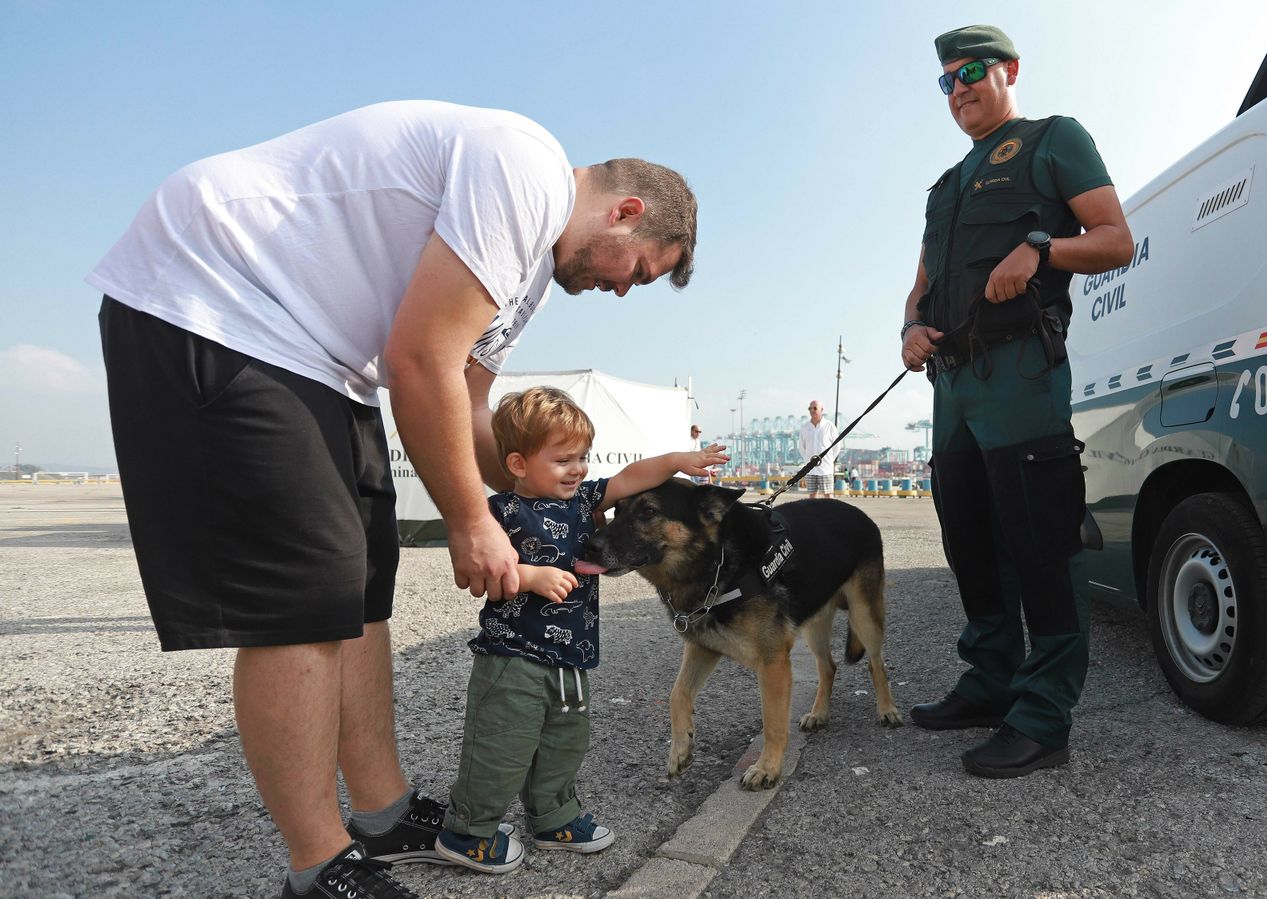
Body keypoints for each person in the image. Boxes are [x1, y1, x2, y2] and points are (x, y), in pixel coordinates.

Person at [88, 101, 698, 898]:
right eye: (639, 271)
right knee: (305, 593)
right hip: (218, 296)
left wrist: (539, 493)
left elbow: (469, 403)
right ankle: (319, 864)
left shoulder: (530, 282)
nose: (621, 290)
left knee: (366, 578)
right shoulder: (525, 167)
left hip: (321, 357)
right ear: (626, 211)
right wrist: (470, 521)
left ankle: (382, 814)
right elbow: (419, 361)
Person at [898, 27, 1134, 778]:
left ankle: (1042, 716)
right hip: (953, 385)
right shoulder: (945, 187)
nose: (959, 87)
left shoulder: (1052, 141)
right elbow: (923, 284)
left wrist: (1041, 248)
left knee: (1040, 539)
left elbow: (1115, 240)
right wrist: (910, 329)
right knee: (969, 538)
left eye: (971, 70)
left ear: (1009, 70)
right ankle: (990, 680)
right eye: (947, 80)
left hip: (1020, 371)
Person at [434, 387, 727, 873]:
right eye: (563, 459)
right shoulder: (498, 513)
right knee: (501, 746)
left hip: (572, 661)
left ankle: (553, 818)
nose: (578, 469)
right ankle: (468, 832)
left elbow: (631, 477)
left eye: (583, 457)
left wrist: (679, 460)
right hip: (512, 659)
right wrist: (530, 576)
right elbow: (473, 573)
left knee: (565, 742)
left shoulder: (584, 499)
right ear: (518, 463)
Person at [797, 400, 840, 499]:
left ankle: (830, 510)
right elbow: (802, 447)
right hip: (810, 469)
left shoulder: (829, 426)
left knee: (828, 495)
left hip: (825, 469)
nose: (812, 410)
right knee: (812, 496)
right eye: (810, 408)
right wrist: (807, 460)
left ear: (822, 409)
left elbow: (837, 446)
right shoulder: (805, 427)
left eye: (815, 408)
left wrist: (829, 460)